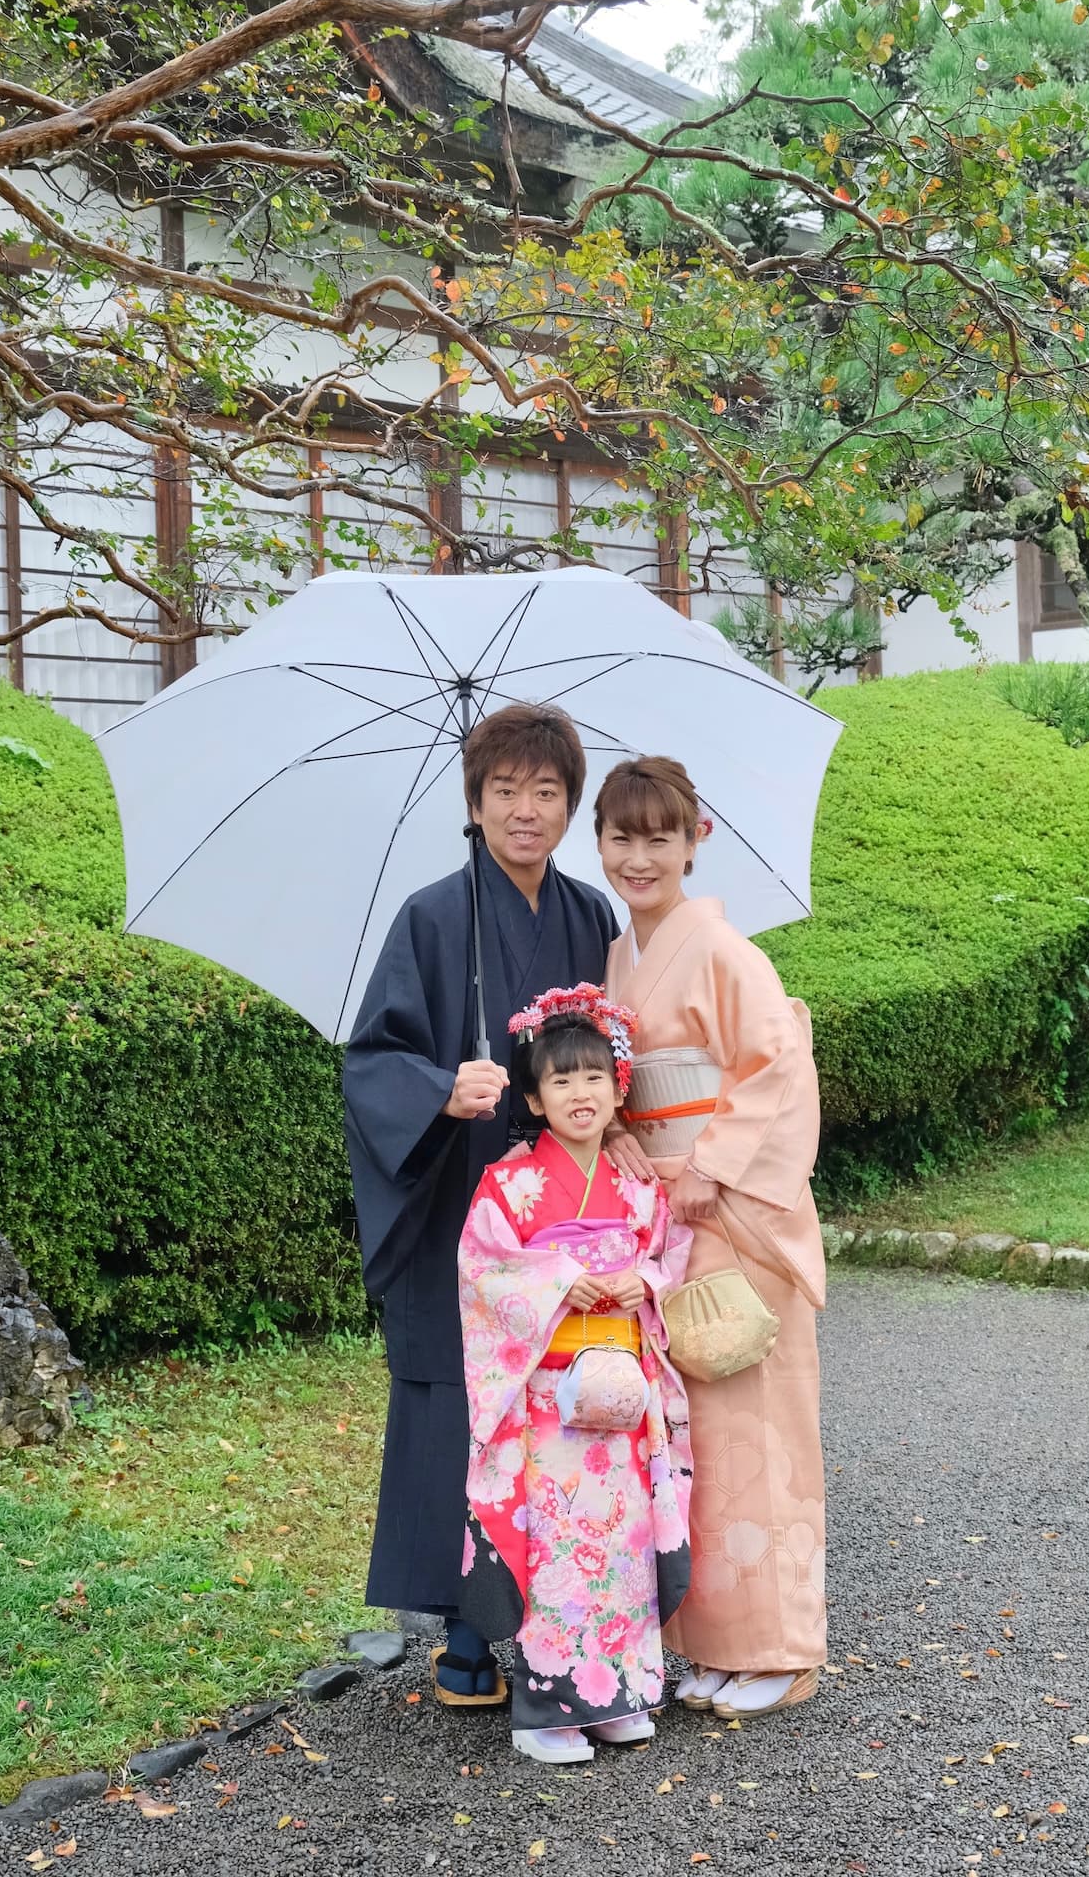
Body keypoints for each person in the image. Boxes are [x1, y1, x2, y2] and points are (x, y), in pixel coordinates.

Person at [342, 704, 619, 1708]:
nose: (524, 809)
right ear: (474, 800)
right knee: (471, 1406)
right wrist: (437, 1087)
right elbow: (373, 1055)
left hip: (567, 1210)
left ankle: (565, 1611)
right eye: (503, 789)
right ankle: (465, 1626)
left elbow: (614, 1052)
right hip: (466, 1205)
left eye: (545, 791)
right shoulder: (429, 915)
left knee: (562, 1403)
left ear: (569, 804)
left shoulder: (591, 916)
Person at [598, 754, 828, 1720]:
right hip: (663, 1204)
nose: (639, 858)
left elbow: (775, 1064)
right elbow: (619, 1073)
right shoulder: (620, 955)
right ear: (599, 843)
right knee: (687, 1430)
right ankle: (705, 1637)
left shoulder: (729, 952)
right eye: (621, 837)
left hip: (726, 1205)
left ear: (697, 841)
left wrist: (712, 1168)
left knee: (752, 1421)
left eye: (660, 837)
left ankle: (777, 1642)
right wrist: (614, 1127)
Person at [455, 987, 693, 1762]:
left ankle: (616, 1694)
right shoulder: (510, 1184)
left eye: (593, 1077)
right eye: (559, 1081)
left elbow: (668, 1255)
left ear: (618, 1088)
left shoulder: (636, 1187)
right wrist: (559, 1280)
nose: (578, 1093)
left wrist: (643, 1284)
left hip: (621, 1396)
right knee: (561, 1553)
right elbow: (483, 1271)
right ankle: (547, 1714)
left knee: (621, 1548)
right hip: (550, 1405)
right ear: (531, 1097)